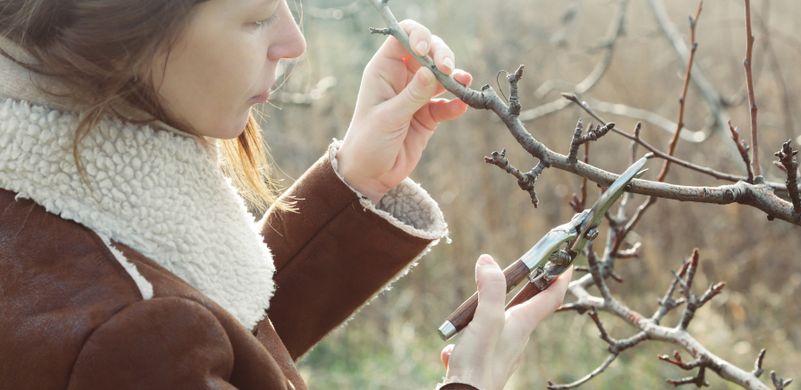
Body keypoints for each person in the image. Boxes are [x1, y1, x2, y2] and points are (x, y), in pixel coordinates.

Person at [0, 1, 572, 389]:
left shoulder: (46, 212)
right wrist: (472, 381)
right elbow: (161, 338)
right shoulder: (120, 339)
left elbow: (222, 345)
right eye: (255, 17)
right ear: (129, 30)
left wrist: (358, 180)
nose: (292, 42)